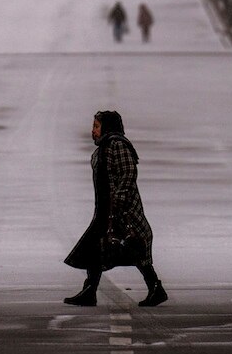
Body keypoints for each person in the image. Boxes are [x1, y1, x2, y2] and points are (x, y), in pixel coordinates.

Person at [63, 110, 167, 307]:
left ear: (107, 127)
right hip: (106, 211)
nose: (93, 131)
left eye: (96, 126)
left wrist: (118, 200)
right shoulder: (104, 147)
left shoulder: (116, 145)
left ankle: (155, 288)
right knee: (96, 249)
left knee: (135, 248)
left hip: (123, 211)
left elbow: (128, 172)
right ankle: (90, 291)